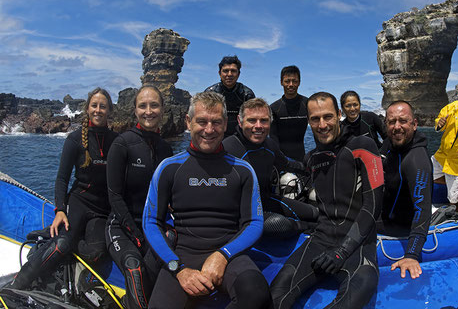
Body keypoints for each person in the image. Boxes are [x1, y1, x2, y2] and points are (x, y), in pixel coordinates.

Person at [142, 91, 270, 309]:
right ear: (188, 122)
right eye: (202, 121)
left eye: (216, 122)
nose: (209, 130)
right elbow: (150, 222)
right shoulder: (169, 168)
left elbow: (254, 223)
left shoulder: (242, 170)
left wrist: (222, 256)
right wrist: (178, 269)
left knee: (256, 292)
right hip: (182, 256)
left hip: (231, 255)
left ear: (226, 124)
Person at [270, 92, 384, 309]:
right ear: (308, 121)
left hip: (358, 246)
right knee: (276, 294)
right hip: (320, 241)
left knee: (354, 296)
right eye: (315, 119)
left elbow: (373, 207)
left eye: (328, 117)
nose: (322, 124)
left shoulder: (363, 146)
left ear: (339, 115)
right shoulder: (312, 158)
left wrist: (342, 251)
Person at [12, 88, 119, 289]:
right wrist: (60, 209)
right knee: (60, 246)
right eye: (94, 105)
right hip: (79, 201)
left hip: (101, 210)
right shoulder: (74, 139)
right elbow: (62, 178)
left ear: (109, 110)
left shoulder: (117, 142)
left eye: (102, 106)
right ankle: (17, 284)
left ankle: (69, 241)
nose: (98, 110)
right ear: (87, 109)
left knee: (96, 253)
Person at [105, 86, 173, 309]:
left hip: (153, 226)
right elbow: (114, 195)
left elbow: (171, 195)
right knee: (135, 267)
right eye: (142, 106)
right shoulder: (122, 144)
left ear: (162, 110)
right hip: (121, 226)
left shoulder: (166, 149)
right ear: (134, 110)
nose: (148, 111)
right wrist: (136, 235)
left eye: (154, 105)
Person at [223, 98, 318, 237]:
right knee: (279, 224)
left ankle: (318, 228)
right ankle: (311, 228)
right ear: (240, 121)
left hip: (265, 200)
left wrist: (313, 166)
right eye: (252, 120)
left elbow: (287, 164)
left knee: (314, 213)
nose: (258, 126)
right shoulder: (228, 149)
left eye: (264, 120)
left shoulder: (269, 144)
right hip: (238, 213)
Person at [379, 100, 433, 279]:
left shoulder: (416, 160)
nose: (397, 127)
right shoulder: (390, 144)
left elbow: (422, 209)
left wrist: (411, 255)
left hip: (398, 226)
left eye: (403, 121)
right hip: (382, 214)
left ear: (415, 124)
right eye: (391, 121)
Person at [205, 55, 255, 137]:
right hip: (215, 135)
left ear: (238, 74)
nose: (229, 74)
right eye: (225, 71)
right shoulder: (210, 93)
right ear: (219, 73)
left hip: (239, 137)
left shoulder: (247, 94)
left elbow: (252, 121)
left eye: (233, 71)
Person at [269, 66, 309, 161]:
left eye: (294, 81)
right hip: (281, 158)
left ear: (299, 82)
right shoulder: (274, 108)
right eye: (287, 81)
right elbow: (273, 138)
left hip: (302, 157)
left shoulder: (307, 104)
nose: (291, 84)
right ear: (281, 82)